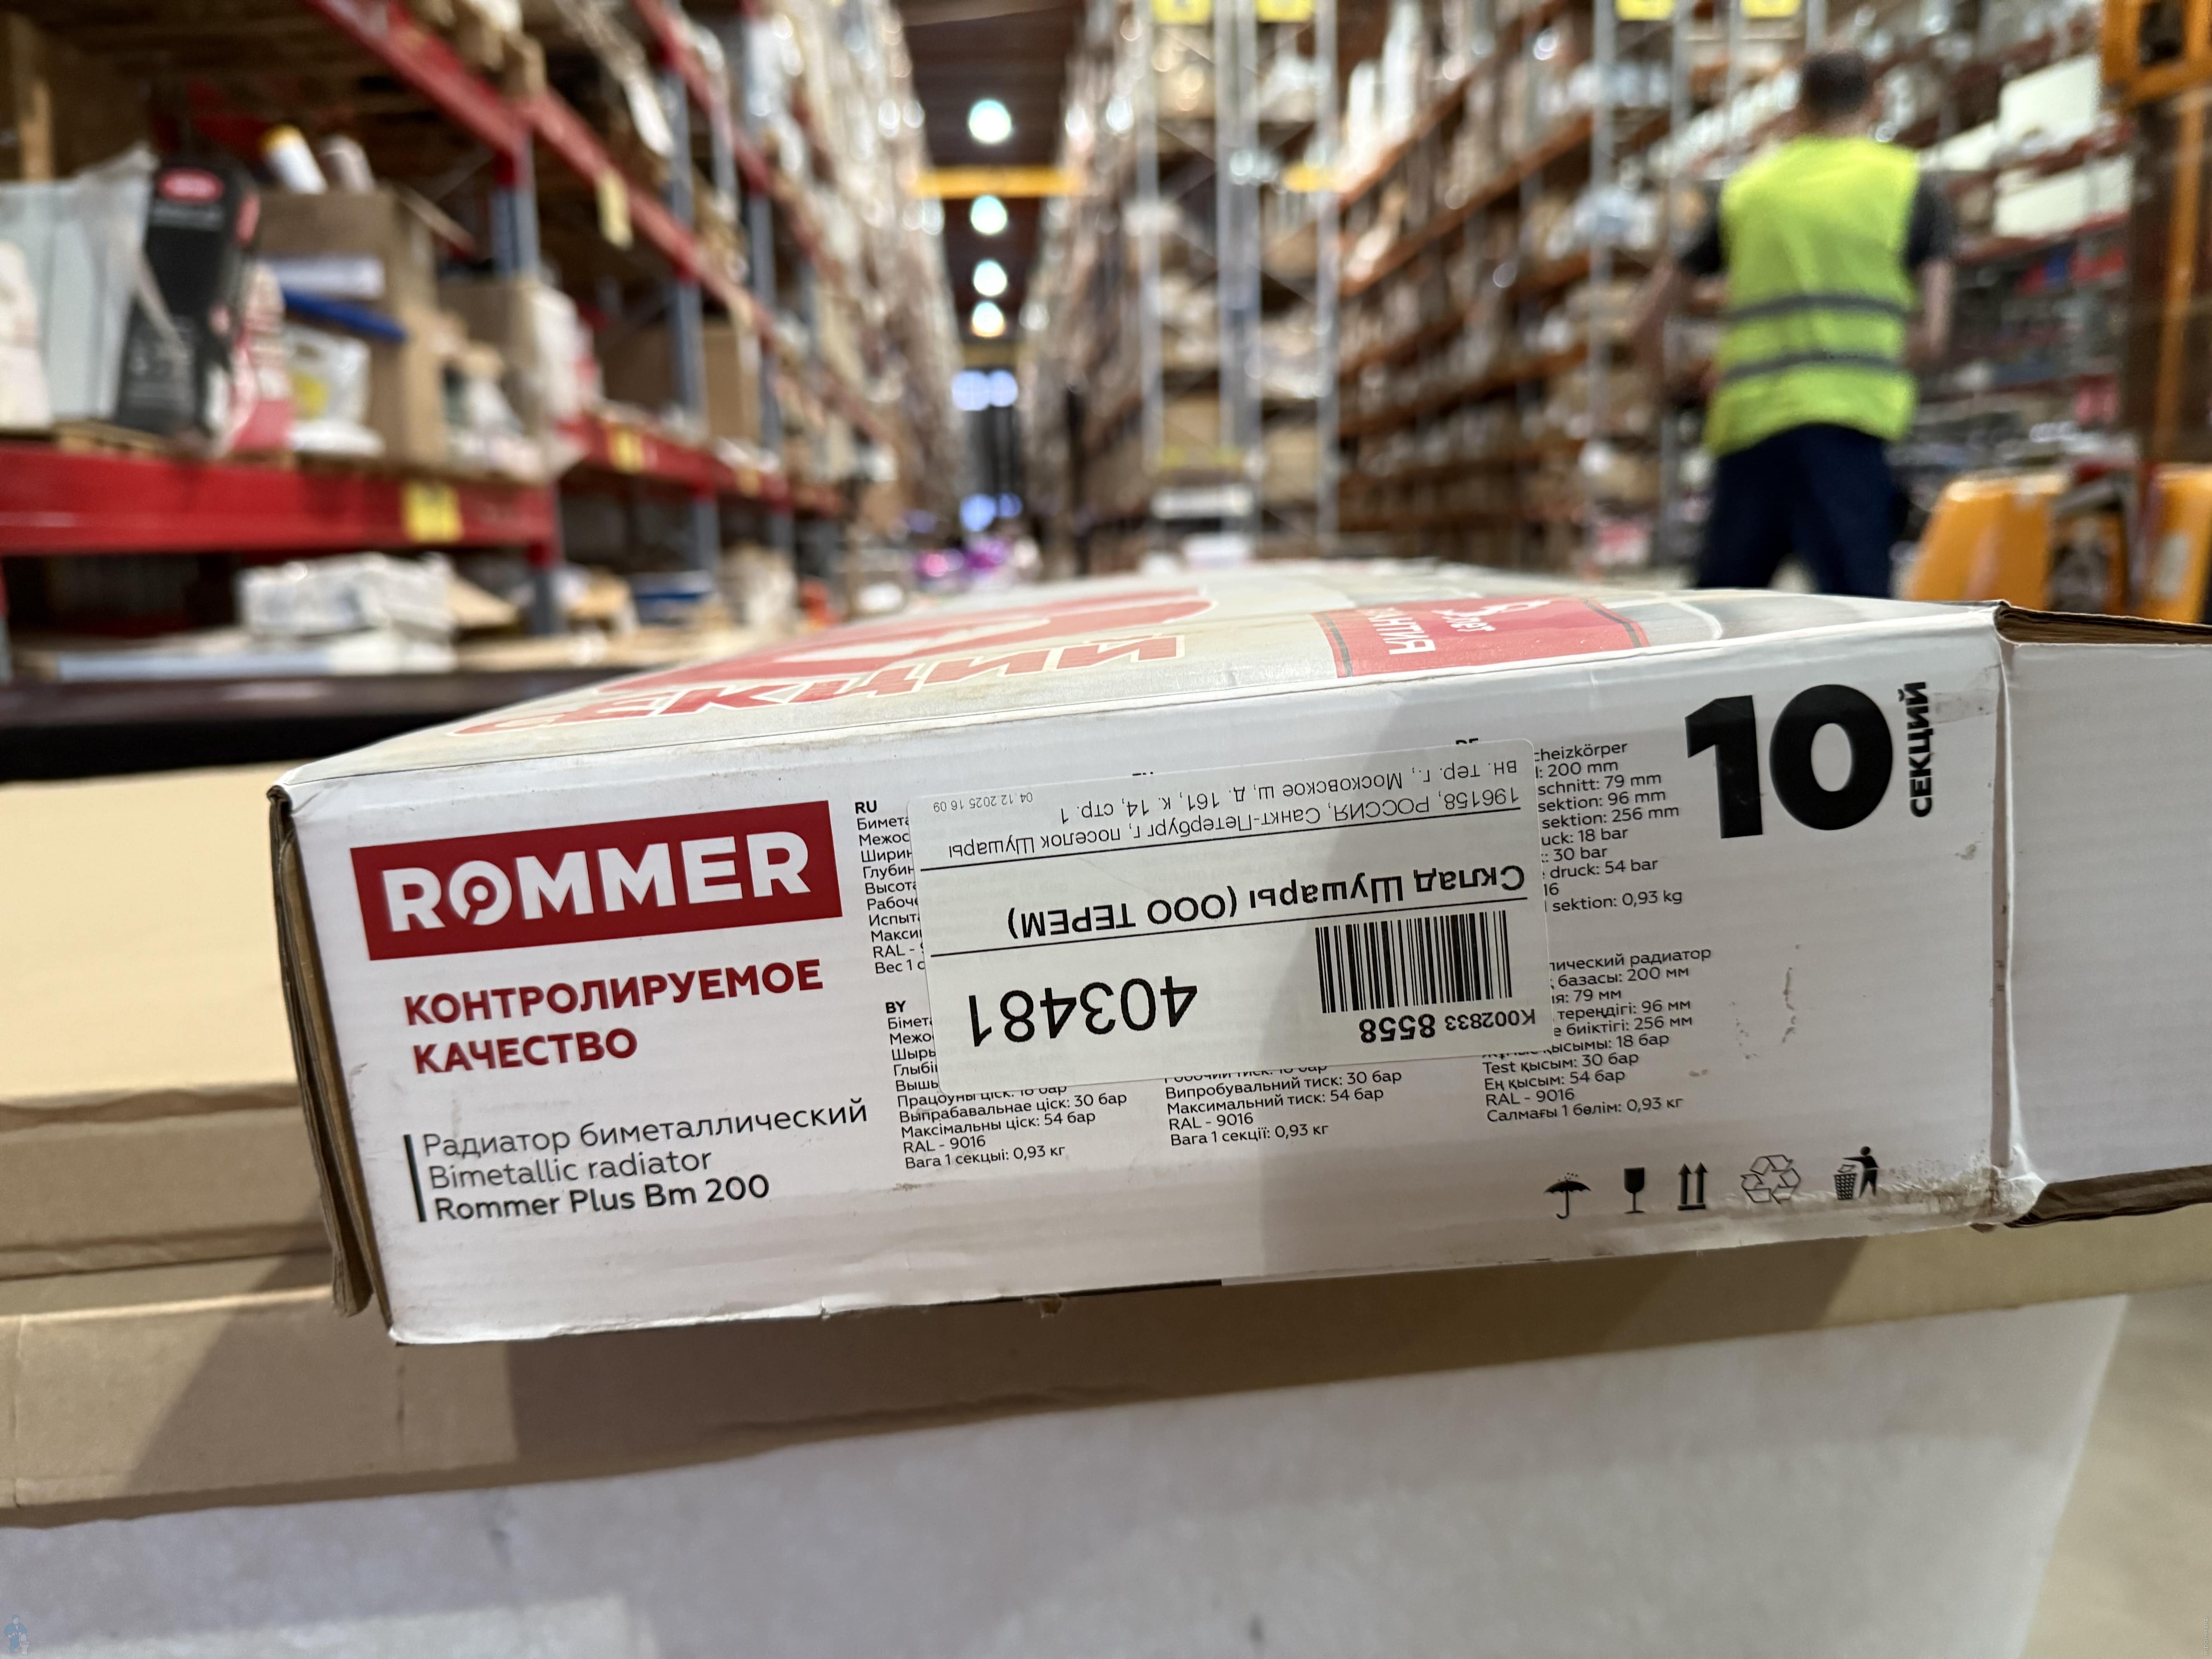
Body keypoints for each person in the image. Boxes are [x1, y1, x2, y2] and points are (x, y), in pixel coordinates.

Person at [1629, 50, 1955, 596]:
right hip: (1849, 435)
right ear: (1875, 102)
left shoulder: (1747, 192)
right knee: (1859, 621)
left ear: (1798, 108)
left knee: (1724, 619)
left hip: (1751, 436)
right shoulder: (1909, 187)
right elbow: (1934, 334)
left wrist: (1671, 391)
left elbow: (1645, 321)